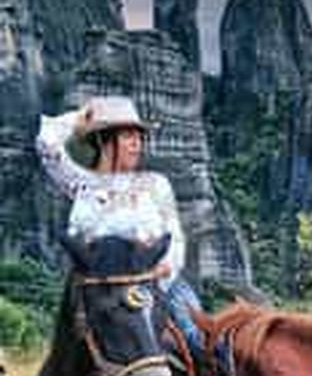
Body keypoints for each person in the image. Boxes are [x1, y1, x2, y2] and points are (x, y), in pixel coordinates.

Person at [34, 95, 206, 355]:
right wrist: (79, 119)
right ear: (104, 141)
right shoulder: (81, 184)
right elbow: (47, 145)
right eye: (128, 136)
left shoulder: (155, 184)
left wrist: (164, 268)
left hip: (153, 284)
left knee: (201, 343)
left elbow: (175, 238)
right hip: (97, 289)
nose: (137, 144)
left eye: (139, 137)